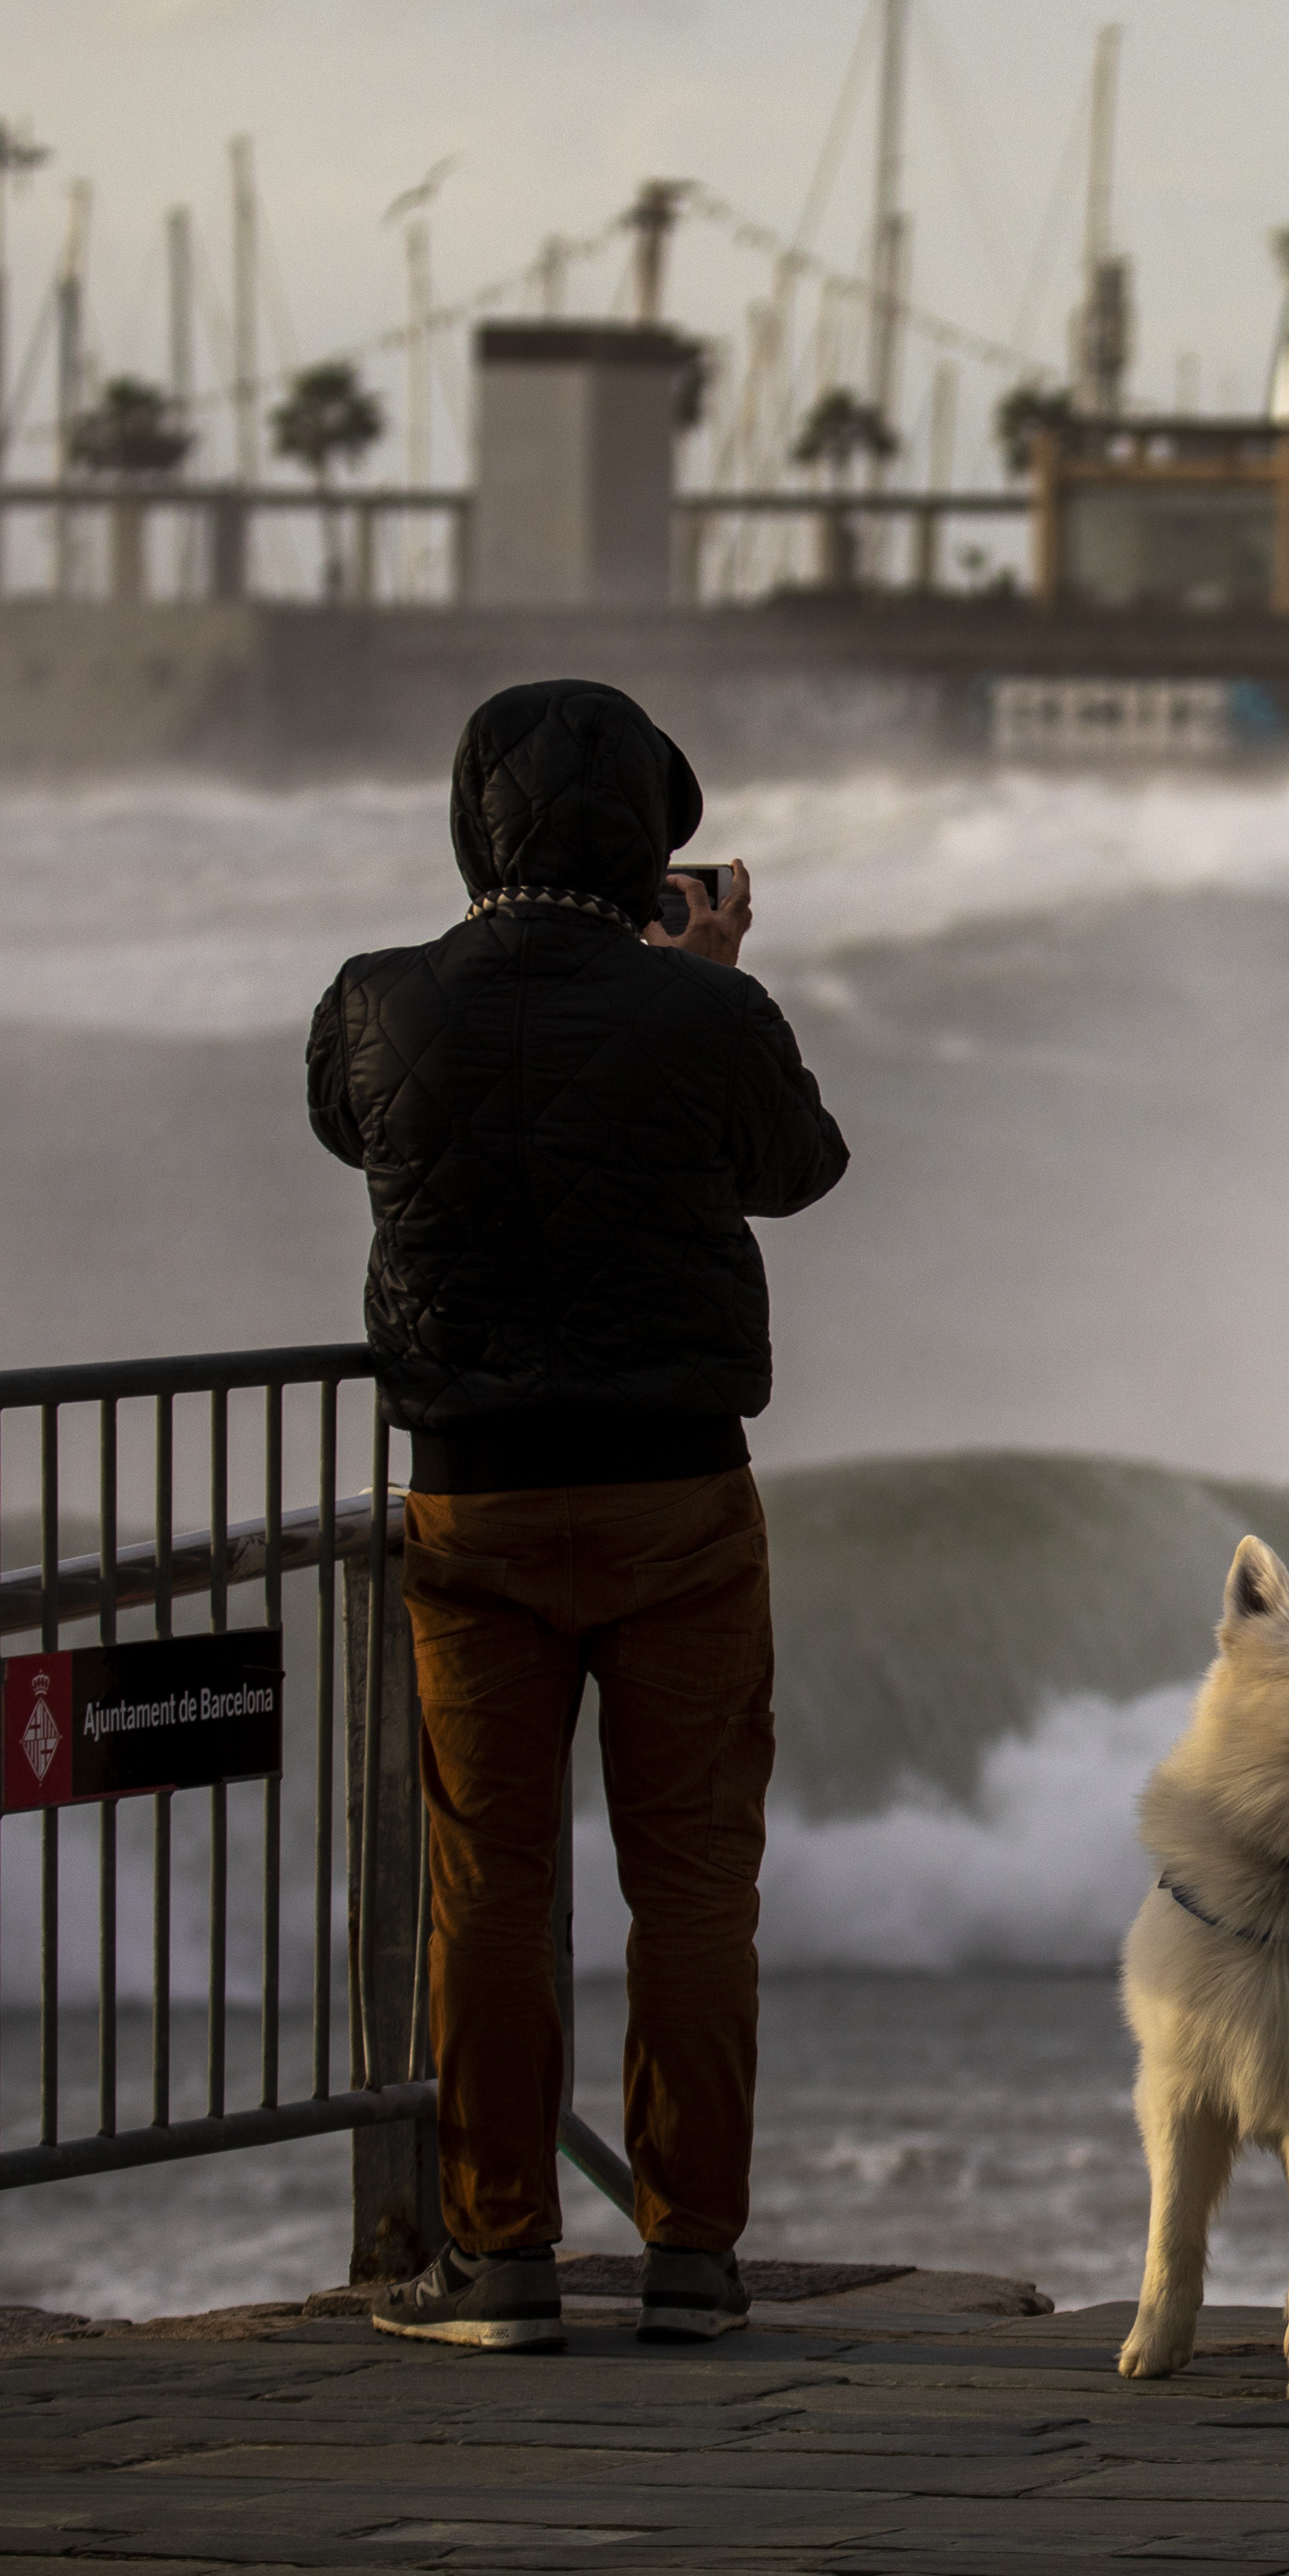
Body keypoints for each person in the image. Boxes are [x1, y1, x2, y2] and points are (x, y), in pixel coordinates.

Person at [308, 678, 849, 2352]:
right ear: (649, 842)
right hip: (677, 1495)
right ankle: (690, 2256)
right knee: (691, 1886)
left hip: (470, 1505)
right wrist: (708, 988)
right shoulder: (701, 1016)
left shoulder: (378, 1004)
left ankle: (502, 2261)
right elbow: (799, 1169)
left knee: (491, 1886)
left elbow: (353, 1130)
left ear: (474, 824)